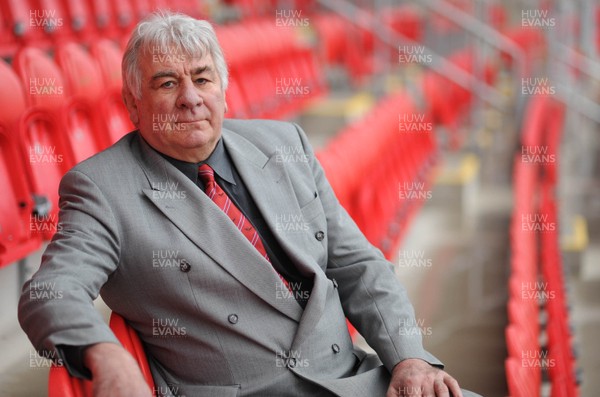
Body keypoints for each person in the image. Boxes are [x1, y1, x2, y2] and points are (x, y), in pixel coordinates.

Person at [19, 11, 482, 397]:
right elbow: (48, 293)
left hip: (353, 380)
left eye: (202, 78)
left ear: (223, 88)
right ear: (133, 104)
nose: (190, 99)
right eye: (166, 84)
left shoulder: (285, 143)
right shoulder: (102, 187)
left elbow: (358, 264)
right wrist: (106, 356)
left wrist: (409, 358)